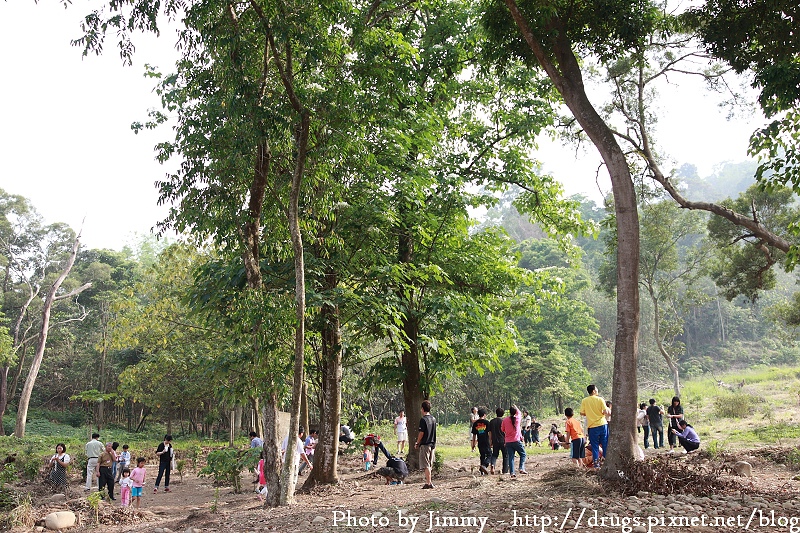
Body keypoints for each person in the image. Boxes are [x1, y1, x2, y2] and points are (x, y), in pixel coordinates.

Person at [580, 384, 609, 469]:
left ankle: (596, 464)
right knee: (605, 443)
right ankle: (605, 460)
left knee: (595, 445)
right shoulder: (600, 399)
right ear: (593, 391)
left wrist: (589, 413)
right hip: (602, 424)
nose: (597, 390)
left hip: (592, 426)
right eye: (596, 389)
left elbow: (582, 413)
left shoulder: (585, 400)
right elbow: (605, 411)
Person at [415, 399, 437, 489]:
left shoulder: (423, 420)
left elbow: (421, 433)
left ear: (423, 409)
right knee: (430, 464)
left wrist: (417, 442)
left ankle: (428, 483)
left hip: (425, 444)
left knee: (426, 464)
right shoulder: (433, 419)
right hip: (433, 444)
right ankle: (429, 481)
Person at [501, 405, 527, 477]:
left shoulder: (505, 420)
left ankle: (512, 473)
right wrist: (516, 407)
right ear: (515, 412)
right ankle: (521, 468)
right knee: (523, 454)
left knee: (511, 457)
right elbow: (519, 413)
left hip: (508, 442)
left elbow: (502, 429)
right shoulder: (518, 419)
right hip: (516, 440)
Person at [470, 407, 491, 475]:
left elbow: (474, 435)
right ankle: (484, 465)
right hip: (486, 441)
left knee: (482, 455)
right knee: (489, 454)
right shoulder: (487, 422)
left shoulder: (475, 423)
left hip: (480, 441)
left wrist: (473, 444)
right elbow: (489, 433)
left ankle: (482, 472)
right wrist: (491, 441)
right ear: (484, 415)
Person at [487, 407, 506, 475]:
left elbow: (490, 433)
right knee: (505, 455)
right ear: (503, 414)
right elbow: (505, 431)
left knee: (495, 454)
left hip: (495, 440)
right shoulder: (504, 421)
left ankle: (493, 465)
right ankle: (505, 470)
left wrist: (490, 441)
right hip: (503, 440)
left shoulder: (492, 421)